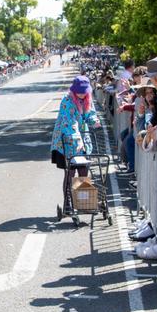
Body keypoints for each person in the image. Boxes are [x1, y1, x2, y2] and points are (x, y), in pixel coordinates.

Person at [51, 75, 100, 215]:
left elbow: (90, 115)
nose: (82, 94)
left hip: (82, 141)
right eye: (79, 91)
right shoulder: (67, 101)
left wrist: (94, 121)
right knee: (70, 172)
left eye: (84, 91)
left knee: (83, 171)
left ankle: (84, 203)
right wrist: (77, 139)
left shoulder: (87, 99)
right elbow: (69, 123)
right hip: (66, 141)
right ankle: (68, 204)